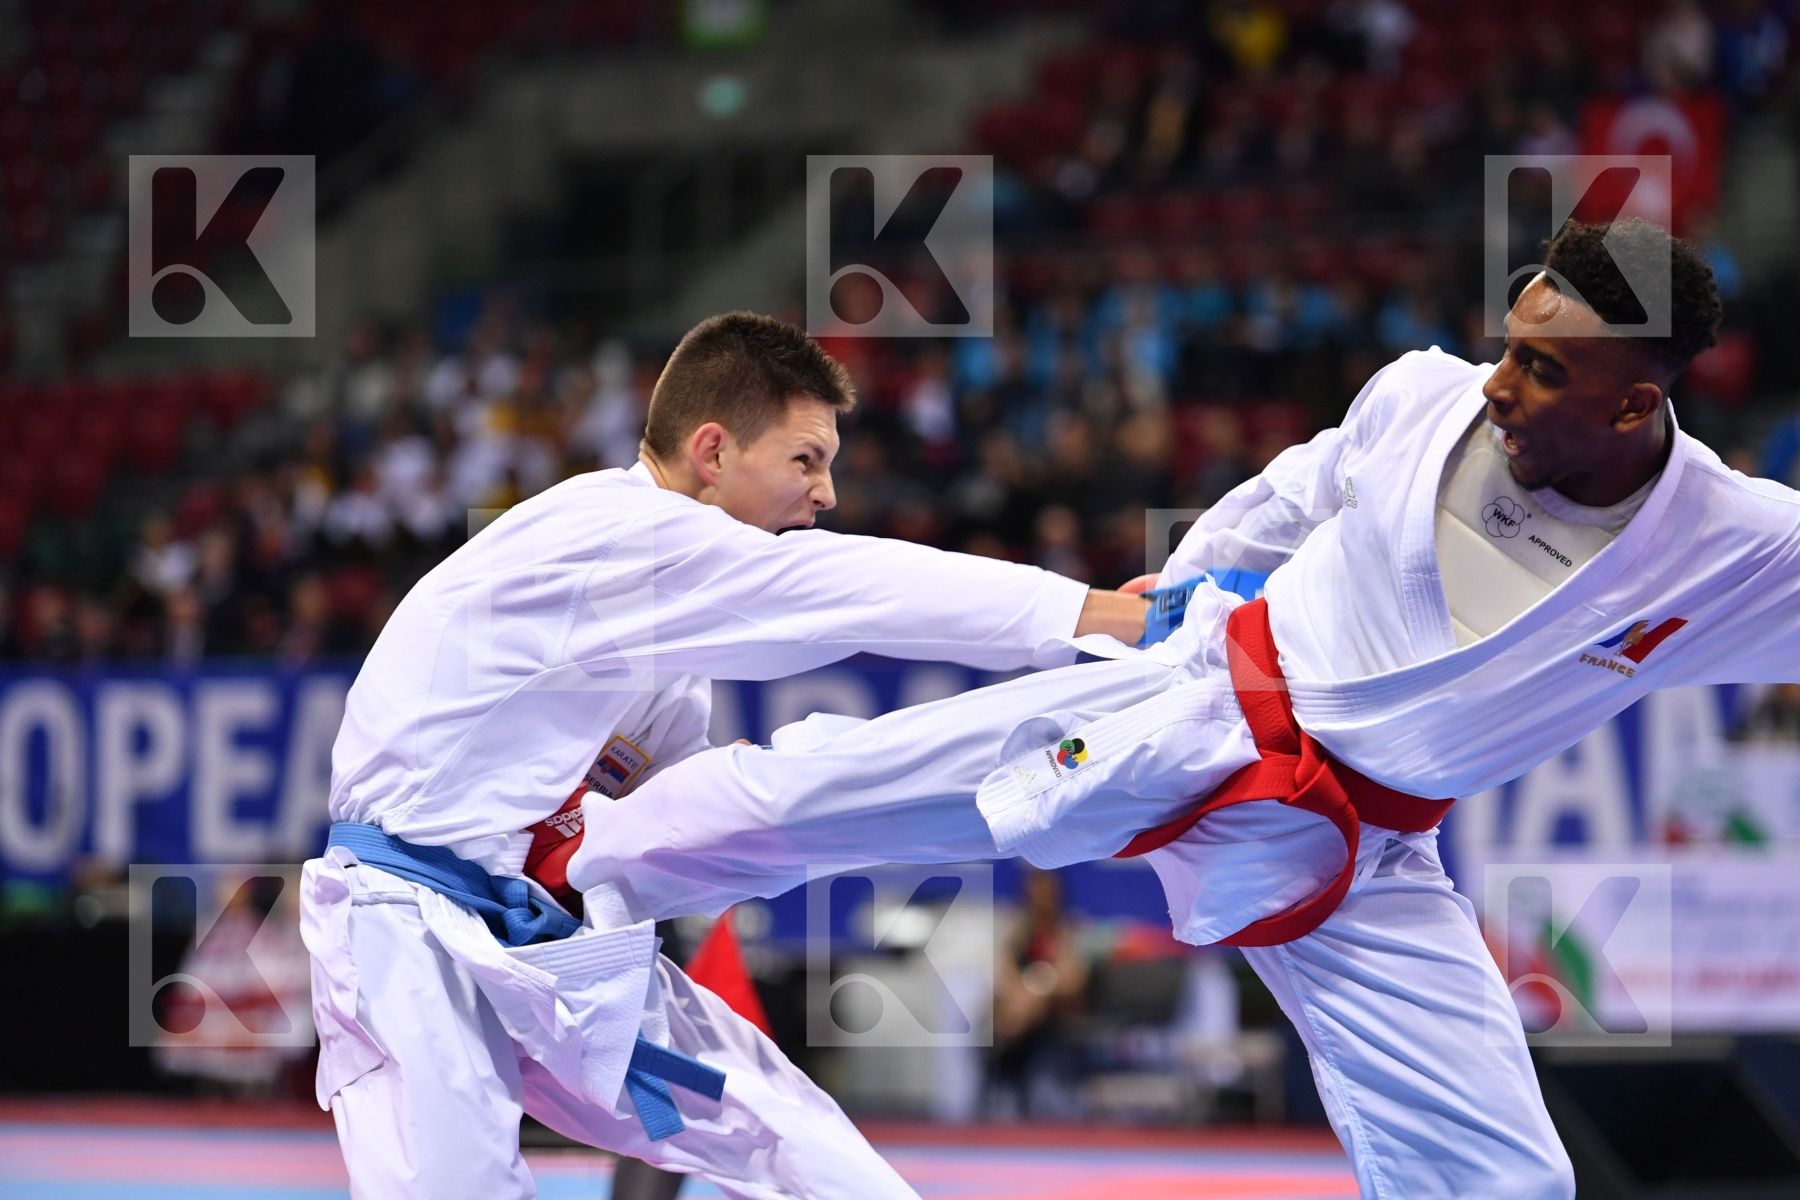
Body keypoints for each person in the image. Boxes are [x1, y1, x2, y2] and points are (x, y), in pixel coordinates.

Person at [583, 220, 1800, 1198]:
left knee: (1508, 1175)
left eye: (1543, 369)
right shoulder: (1428, 396)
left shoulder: (1729, 547)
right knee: (838, 791)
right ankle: (568, 866)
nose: (1500, 384)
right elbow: (1296, 490)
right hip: (1199, 704)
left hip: (1358, 864)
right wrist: (1182, 586)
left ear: (1633, 407)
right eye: (1512, 345)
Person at [300, 312, 1161, 1200]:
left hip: (541, 937)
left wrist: (760, 813)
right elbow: (854, 590)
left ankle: (1092, 748)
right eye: (806, 459)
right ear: (713, 451)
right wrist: (1096, 614)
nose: (826, 493)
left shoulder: (674, 660)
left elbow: (668, 821)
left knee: (796, 1136)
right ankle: (1120, 724)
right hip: (402, 925)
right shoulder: (611, 531)